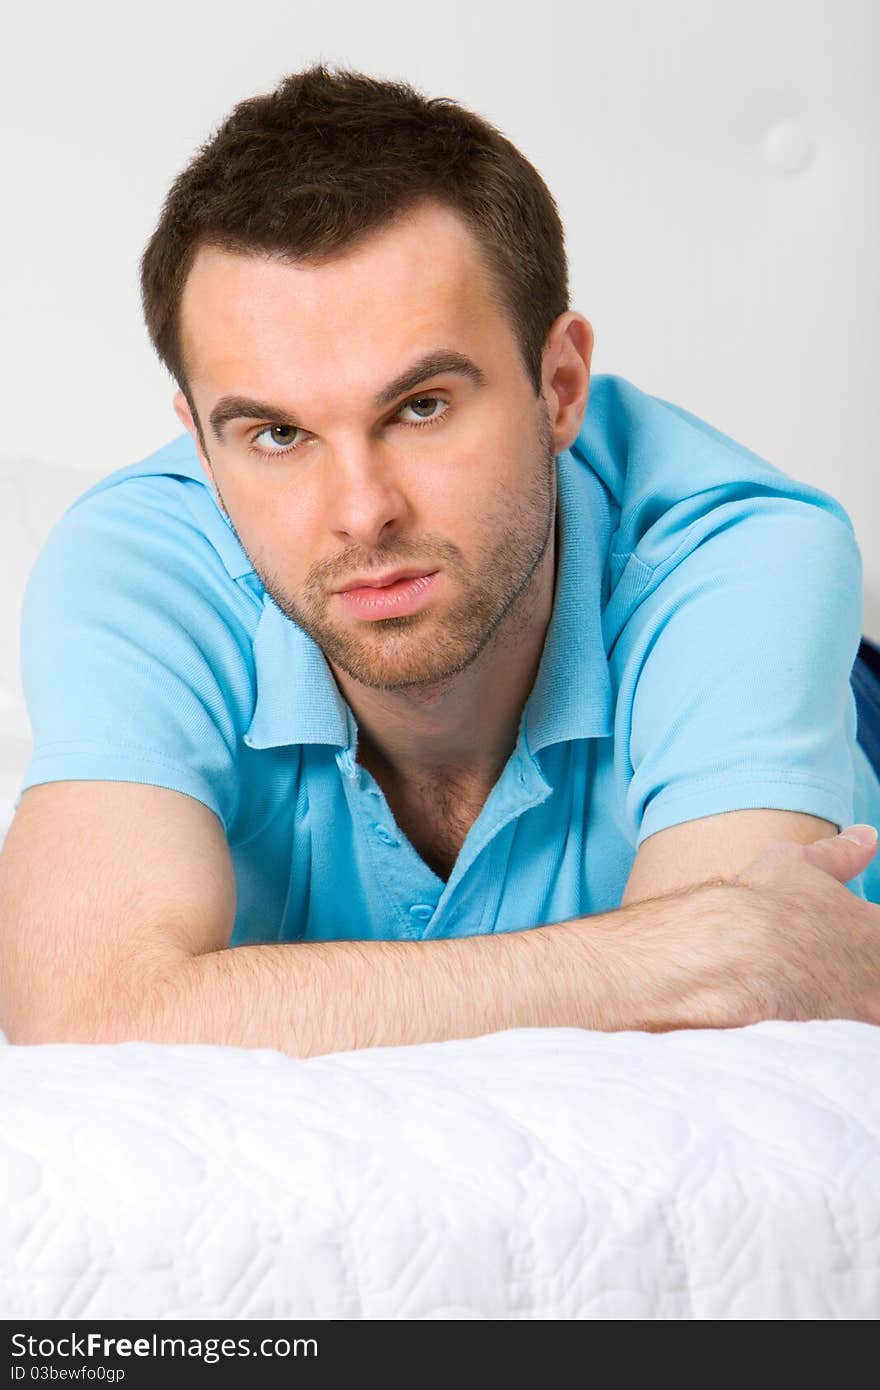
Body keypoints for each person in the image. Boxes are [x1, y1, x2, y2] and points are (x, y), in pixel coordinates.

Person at [2, 64, 879, 1056]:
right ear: (201, 448)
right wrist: (663, 952)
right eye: (277, 435)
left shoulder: (741, 555)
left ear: (558, 384)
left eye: (420, 408)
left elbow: (733, 1030)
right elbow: (82, 1013)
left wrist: (204, 993)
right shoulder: (132, 568)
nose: (362, 513)